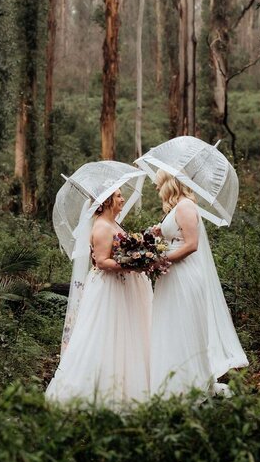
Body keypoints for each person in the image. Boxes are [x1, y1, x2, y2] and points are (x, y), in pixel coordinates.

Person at [45, 187, 153, 407]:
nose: (122, 199)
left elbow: (123, 249)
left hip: (123, 286)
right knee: (105, 334)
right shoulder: (102, 227)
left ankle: (130, 386)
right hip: (108, 289)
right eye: (118, 196)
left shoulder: (114, 223)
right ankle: (99, 391)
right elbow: (103, 262)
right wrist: (133, 263)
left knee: (128, 334)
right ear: (106, 201)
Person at [149, 170, 247, 397]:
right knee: (172, 327)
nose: (155, 187)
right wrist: (159, 233)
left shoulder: (185, 207)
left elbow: (192, 245)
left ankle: (190, 384)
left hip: (184, 276)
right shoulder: (177, 208)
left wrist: (161, 259)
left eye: (158, 182)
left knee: (184, 326)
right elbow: (178, 238)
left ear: (168, 183)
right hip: (172, 276)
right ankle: (174, 382)